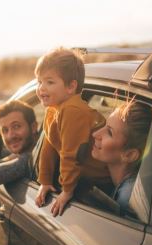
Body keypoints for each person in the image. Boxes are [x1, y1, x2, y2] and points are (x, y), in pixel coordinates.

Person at [34, 47, 110, 216]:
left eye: (50, 82)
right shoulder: (54, 109)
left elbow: (71, 154)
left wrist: (67, 190)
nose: (41, 88)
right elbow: (49, 145)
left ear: (70, 86)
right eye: (39, 82)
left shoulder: (72, 110)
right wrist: (45, 181)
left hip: (100, 182)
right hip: (84, 179)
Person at [90, 100, 152, 213]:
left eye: (109, 132)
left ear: (129, 155)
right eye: (104, 125)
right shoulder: (131, 186)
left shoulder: (127, 201)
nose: (95, 134)